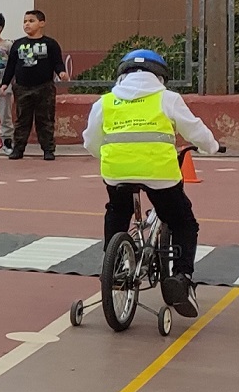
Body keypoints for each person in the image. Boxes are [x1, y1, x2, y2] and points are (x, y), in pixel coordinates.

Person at [82, 47, 221, 317]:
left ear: (122, 73)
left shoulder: (105, 102)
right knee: (183, 222)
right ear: (160, 75)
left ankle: (115, 264)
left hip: (116, 171)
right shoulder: (167, 98)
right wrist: (211, 147)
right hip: (159, 173)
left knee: (117, 209)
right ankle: (182, 277)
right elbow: (194, 129)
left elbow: (90, 141)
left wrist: (108, 155)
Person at [5, 8, 66, 161]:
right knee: (22, 120)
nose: (27, 24)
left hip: (44, 87)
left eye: (31, 21)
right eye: (25, 21)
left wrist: (61, 72)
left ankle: (48, 150)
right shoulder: (18, 44)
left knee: (45, 120)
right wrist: (5, 83)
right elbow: (11, 66)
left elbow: (57, 62)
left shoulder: (50, 44)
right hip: (22, 88)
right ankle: (18, 149)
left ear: (42, 23)